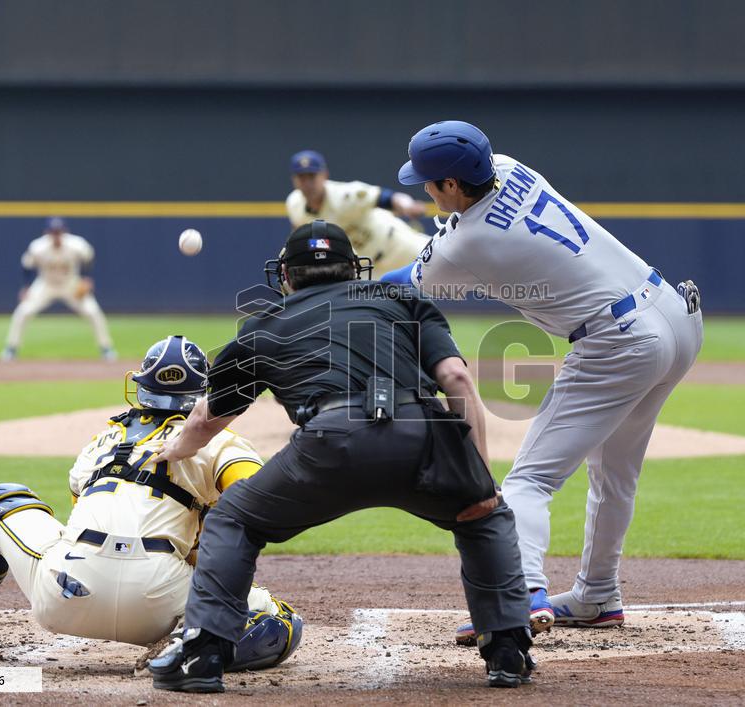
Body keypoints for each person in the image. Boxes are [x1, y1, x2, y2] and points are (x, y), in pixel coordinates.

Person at [146, 220, 533, 694]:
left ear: (285, 275)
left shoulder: (265, 325)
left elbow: (206, 420)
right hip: (423, 437)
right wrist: (477, 477)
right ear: (354, 269)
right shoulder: (401, 299)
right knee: (483, 516)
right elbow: (456, 379)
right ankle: (507, 650)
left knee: (235, 519)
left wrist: (171, 449)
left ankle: (204, 653)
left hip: (329, 444)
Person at [383, 120, 704, 643]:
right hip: (673, 314)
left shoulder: (469, 243)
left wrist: (348, 287)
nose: (424, 188)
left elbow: (410, 284)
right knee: (614, 472)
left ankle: (522, 597)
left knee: (529, 481)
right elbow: (454, 234)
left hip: (618, 341)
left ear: (452, 186)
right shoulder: (509, 167)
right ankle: (597, 595)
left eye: (430, 180)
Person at [0, 335, 302, 672]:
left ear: (140, 386)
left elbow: (86, 515)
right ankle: (193, 645)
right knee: (282, 623)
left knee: (0, 501)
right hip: (159, 603)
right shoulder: (220, 442)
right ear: (206, 394)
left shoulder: (100, 444)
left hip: (64, 593)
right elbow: (259, 499)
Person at [286, 150, 430, 275]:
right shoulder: (294, 204)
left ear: (324, 175)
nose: (307, 183)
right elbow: (300, 234)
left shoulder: (345, 195)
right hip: (369, 268)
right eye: (301, 177)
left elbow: (388, 197)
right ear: (294, 180)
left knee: (445, 263)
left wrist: (408, 206)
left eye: (311, 176)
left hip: (399, 245)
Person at [1, 217, 117, 361]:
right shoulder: (38, 246)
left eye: (58, 232)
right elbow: (27, 266)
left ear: (64, 231)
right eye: (53, 232)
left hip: (71, 284)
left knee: (93, 312)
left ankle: (106, 348)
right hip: (46, 284)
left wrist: (87, 278)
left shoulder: (77, 244)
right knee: (22, 312)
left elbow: (88, 258)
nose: (56, 235)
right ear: (47, 233)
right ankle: (11, 348)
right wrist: (26, 287)